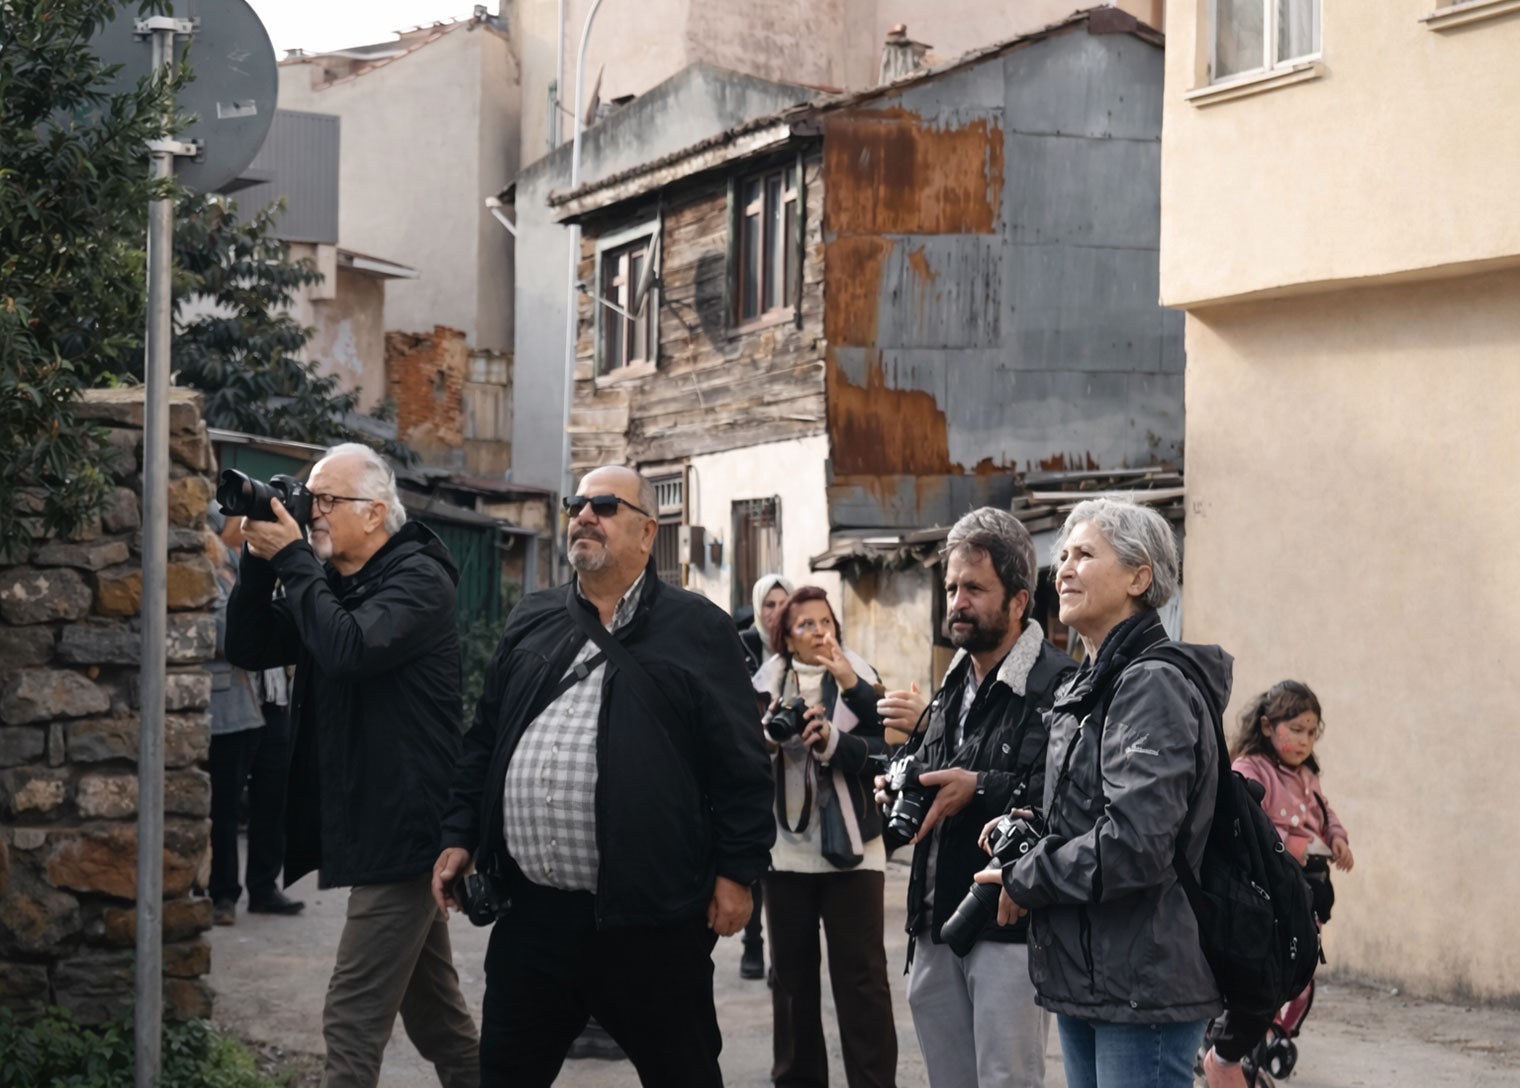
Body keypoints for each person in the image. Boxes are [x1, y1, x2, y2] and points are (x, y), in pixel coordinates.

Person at [431, 465, 774, 1088]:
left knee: (684, 1074)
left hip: (652, 924)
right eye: (576, 503)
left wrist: (737, 872)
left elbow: (742, 764)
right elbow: (484, 738)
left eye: (604, 506)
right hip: (532, 919)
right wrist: (459, 834)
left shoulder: (698, 628)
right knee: (505, 1074)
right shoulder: (533, 617)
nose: (583, 515)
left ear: (647, 533)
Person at [227, 443, 479, 1088]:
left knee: (351, 1019)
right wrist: (261, 566)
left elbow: (348, 650)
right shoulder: (337, 582)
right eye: (311, 498)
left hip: (407, 831)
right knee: (438, 1022)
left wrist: (293, 560)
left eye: (327, 500)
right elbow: (249, 645)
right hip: (375, 824)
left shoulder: (418, 579)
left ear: (373, 513)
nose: (313, 512)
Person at [973, 497, 1232, 1088]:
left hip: (1143, 981)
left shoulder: (1151, 685)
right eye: (1061, 554)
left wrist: (1028, 875)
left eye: (1084, 554)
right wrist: (1036, 824)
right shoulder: (1093, 683)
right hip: (1091, 974)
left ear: (1140, 577)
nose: (1061, 567)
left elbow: (1136, 844)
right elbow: (1096, 818)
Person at [874, 507, 1074, 1088]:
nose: (957, 601)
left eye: (974, 589)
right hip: (935, 920)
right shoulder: (951, 682)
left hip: (1008, 924)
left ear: (1018, 601)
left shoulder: (1058, 684)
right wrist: (904, 779)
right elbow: (940, 772)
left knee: (1007, 1080)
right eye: (952, 587)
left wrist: (979, 787)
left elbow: (1068, 797)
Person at [754, 585, 897, 1088]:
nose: (819, 632)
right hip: (785, 854)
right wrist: (767, 739)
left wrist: (835, 742)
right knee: (790, 984)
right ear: (786, 640)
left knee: (862, 983)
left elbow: (888, 749)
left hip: (854, 850)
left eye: (825, 621)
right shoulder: (765, 684)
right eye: (805, 625)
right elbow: (740, 757)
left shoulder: (859, 674)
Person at [1201, 681, 1354, 1088]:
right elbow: (1245, 826)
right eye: (1297, 729)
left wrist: (1337, 837)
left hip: (1308, 896)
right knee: (1264, 980)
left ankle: (1269, 1045)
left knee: (1299, 980)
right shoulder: (1251, 770)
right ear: (1268, 726)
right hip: (1269, 899)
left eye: (1312, 732)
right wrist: (1295, 846)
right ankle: (1229, 1050)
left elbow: (1326, 813)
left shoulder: (1307, 776)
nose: (1305, 740)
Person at [207, 508, 302, 923]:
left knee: (274, 801)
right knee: (224, 804)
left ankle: (265, 887)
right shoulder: (209, 571)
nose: (248, 525)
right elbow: (220, 637)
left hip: (274, 700)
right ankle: (222, 893)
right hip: (233, 705)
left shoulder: (271, 564)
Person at [735, 573, 793, 980]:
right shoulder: (741, 645)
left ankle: (781, 949)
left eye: (782, 603)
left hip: (793, 768)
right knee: (756, 855)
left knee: (786, 861)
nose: (775, 612)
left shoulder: (802, 644)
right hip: (750, 763)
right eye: (768, 604)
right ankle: (751, 941)